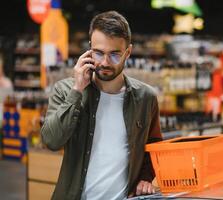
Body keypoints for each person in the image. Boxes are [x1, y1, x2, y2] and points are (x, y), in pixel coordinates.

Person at [41, 11, 162, 200]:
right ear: (89, 49)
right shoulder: (65, 90)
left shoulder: (145, 98)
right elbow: (51, 140)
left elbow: (154, 146)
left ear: (128, 52)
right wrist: (77, 90)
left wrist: (146, 178)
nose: (105, 62)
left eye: (115, 54)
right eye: (98, 53)